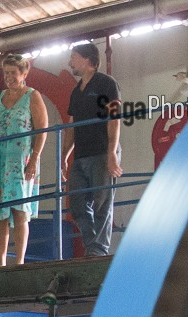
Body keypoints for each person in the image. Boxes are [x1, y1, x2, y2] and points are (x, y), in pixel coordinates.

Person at [0, 53, 48, 266]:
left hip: (19, 161)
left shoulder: (32, 96)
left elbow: (42, 131)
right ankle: (1, 261)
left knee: (20, 208)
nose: (9, 77)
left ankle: (20, 261)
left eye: (13, 73)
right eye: (5, 73)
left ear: (24, 73)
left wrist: (34, 159)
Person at [64, 42, 122, 256]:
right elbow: (71, 125)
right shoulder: (75, 92)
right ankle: (94, 246)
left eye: (73, 56)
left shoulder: (107, 83)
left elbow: (114, 117)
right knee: (77, 203)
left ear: (88, 60)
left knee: (102, 203)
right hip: (80, 155)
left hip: (101, 152)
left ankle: (98, 250)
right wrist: (64, 155)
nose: (70, 62)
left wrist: (112, 153)